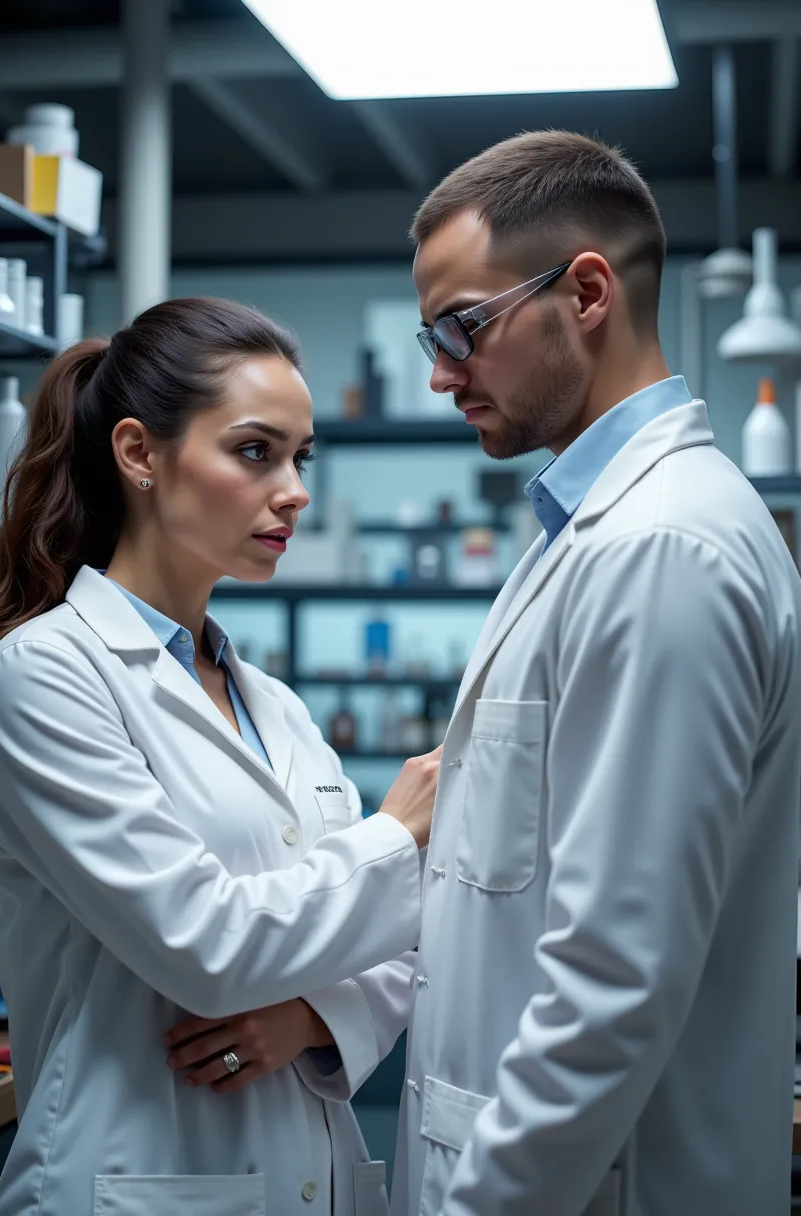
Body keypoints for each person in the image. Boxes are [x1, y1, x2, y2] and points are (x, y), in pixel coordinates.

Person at [391, 131, 801, 1216]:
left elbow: (613, 985)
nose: (440, 372)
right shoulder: (592, 533)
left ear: (584, 292)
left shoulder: (662, 549)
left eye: (461, 327)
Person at [0, 297, 440, 1216]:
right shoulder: (43, 677)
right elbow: (205, 942)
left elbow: (410, 944)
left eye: (302, 457)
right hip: (131, 1173)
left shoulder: (274, 706)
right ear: (140, 454)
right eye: (256, 451)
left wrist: (310, 1016)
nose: (296, 488)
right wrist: (395, 834)